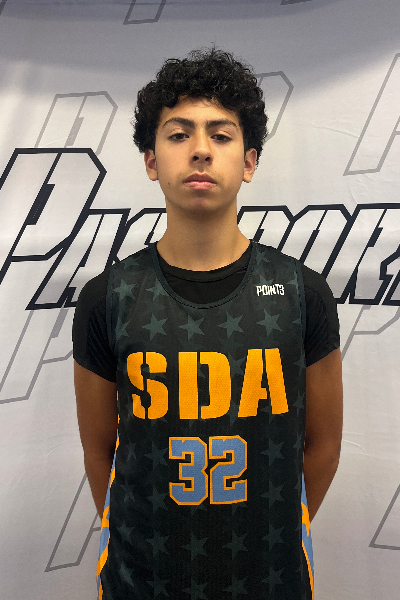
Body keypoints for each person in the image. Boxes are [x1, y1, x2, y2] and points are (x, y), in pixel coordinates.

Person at [73, 48, 342, 600]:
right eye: (179, 135)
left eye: (221, 135)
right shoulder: (107, 298)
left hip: (270, 579)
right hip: (141, 581)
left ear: (249, 161)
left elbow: (324, 445)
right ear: (151, 160)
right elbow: (101, 452)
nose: (200, 149)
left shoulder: (302, 293)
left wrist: (266, 539)